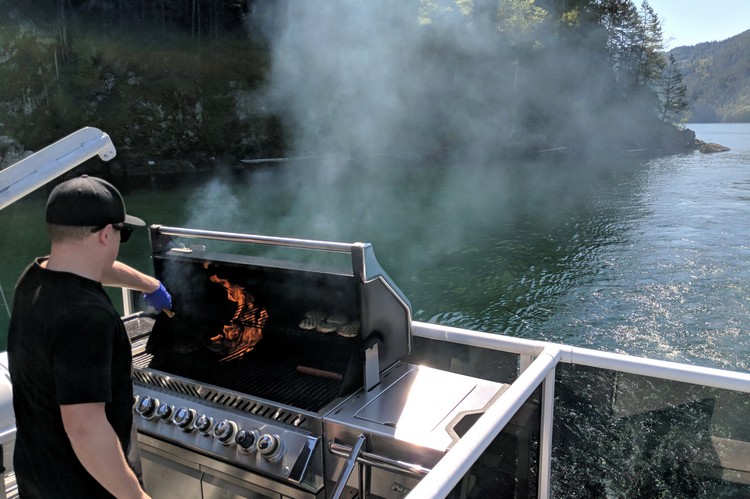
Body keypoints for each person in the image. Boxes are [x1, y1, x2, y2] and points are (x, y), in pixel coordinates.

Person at [7, 175, 172, 498]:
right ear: (106, 233)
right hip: (84, 487)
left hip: (36, 473)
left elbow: (92, 265)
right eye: (122, 233)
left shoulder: (35, 277)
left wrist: (149, 285)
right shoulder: (85, 317)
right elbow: (85, 429)